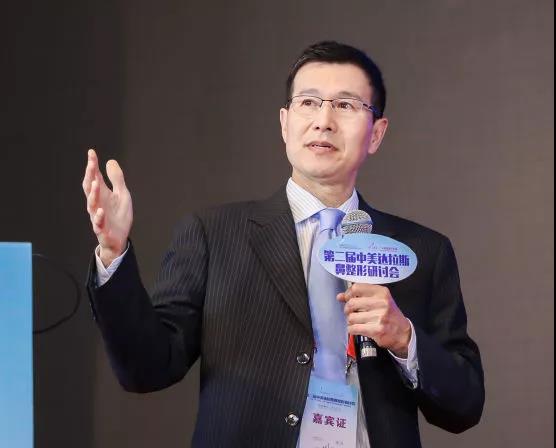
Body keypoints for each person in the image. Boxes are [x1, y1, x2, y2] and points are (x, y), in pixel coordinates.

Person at [82, 41, 484, 447]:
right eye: (309, 102)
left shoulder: (421, 251)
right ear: (284, 123)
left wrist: (404, 338)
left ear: (376, 134)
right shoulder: (214, 234)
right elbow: (146, 368)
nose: (324, 121)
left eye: (345, 105)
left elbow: (465, 405)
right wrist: (114, 254)